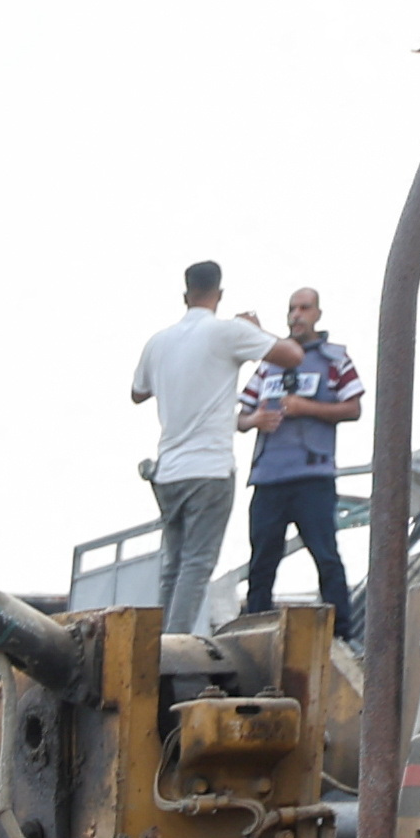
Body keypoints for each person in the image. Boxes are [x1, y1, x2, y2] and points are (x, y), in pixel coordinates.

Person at [135, 263, 276, 636]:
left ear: (186, 295)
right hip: (209, 470)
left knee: (173, 565)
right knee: (196, 565)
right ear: (220, 294)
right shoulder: (227, 332)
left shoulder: (159, 342)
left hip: (168, 471)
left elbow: (137, 393)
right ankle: (174, 642)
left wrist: (175, 377)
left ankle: (160, 639)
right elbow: (289, 355)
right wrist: (252, 331)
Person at [239, 286, 366, 639]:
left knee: (326, 558)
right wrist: (255, 421)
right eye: (292, 308)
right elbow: (239, 416)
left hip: (313, 476)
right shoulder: (268, 365)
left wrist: (307, 408)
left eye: (304, 308)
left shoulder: (334, 359)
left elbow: (353, 408)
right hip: (269, 478)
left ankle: (343, 636)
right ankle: (256, 635)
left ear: (318, 314)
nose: (296, 314)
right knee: (261, 564)